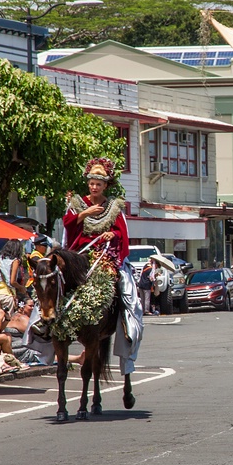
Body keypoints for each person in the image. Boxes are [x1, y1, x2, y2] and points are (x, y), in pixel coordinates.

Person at [54, 156, 142, 376]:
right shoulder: (77, 204)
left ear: (106, 185)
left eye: (98, 184)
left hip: (105, 256)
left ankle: (128, 324)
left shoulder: (114, 207)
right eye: (91, 183)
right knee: (50, 281)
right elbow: (68, 228)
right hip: (79, 256)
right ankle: (43, 326)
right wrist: (84, 215)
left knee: (127, 290)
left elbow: (123, 234)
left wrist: (113, 233)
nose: (94, 187)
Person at [0, 239, 27, 319]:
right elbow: (12, 281)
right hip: (7, 295)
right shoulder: (15, 261)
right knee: (7, 321)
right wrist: (21, 288)